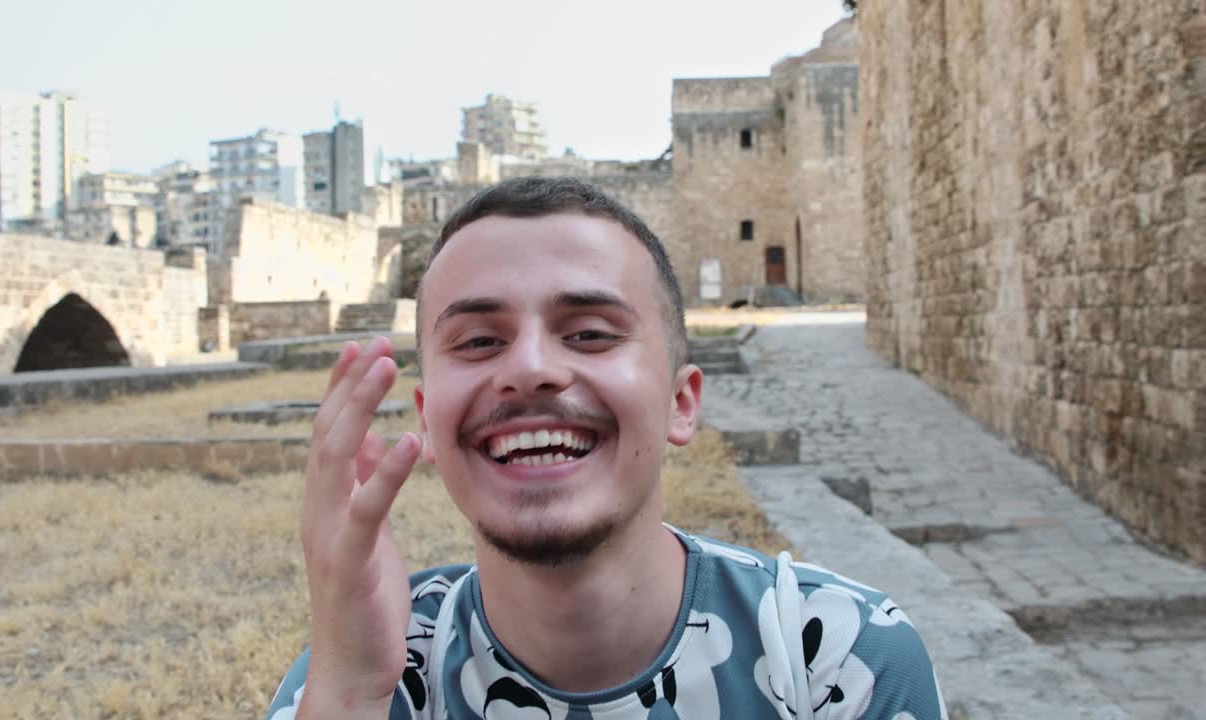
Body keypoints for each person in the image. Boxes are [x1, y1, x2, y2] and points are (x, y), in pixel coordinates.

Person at [268, 177, 946, 720]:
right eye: (478, 341)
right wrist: (352, 697)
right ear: (428, 423)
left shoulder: (838, 660)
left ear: (681, 403)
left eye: (590, 333)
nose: (530, 367)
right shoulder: (363, 669)